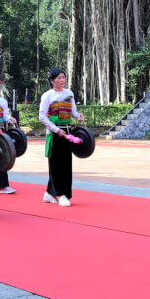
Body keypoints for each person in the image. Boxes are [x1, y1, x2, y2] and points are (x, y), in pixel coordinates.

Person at [39, 67, 85, 208]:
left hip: (67, 133)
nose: (62, 80)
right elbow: (42, 117)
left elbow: (72, 111)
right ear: (52, 81)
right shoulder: (47, 95)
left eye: (63, 77)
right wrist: (56, 129)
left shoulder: (69, 93)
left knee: (66, 164)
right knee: (55, 165)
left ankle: (52, 193)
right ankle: (60, 194)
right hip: (54, 134)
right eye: (58, 78)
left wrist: (78, 116)